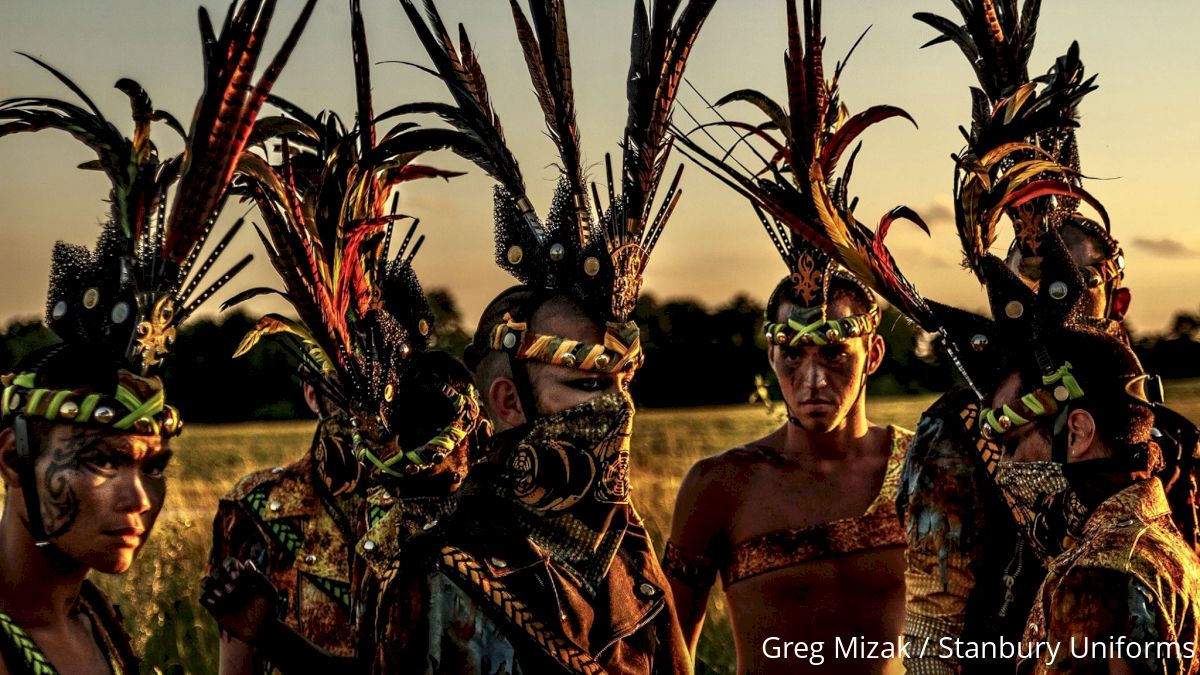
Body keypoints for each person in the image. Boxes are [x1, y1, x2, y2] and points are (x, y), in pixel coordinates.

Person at [369, 0, 714, 671]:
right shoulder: (440, 576)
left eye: (620, 383)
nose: (615, 411)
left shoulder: (632, 559)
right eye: (584, 384)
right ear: (505, 400)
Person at [0, 1, 311, 671]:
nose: (140, 497)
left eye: (154, 463)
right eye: (102, 459)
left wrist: (239, 647)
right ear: (11, 457)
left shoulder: (94, 619)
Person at [198, 3, 488, 672]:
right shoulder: (263, 508)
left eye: (395, 375)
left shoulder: (463, 493)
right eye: (350, 376)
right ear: (310, 389)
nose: (377, 400)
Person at [666, 263, 912, 674]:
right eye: (793, 355)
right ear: (772, 356)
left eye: (834, 353)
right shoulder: (721, 484)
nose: (812, 379)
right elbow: (669, 653)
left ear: (872, 355)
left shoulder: (919, 469)